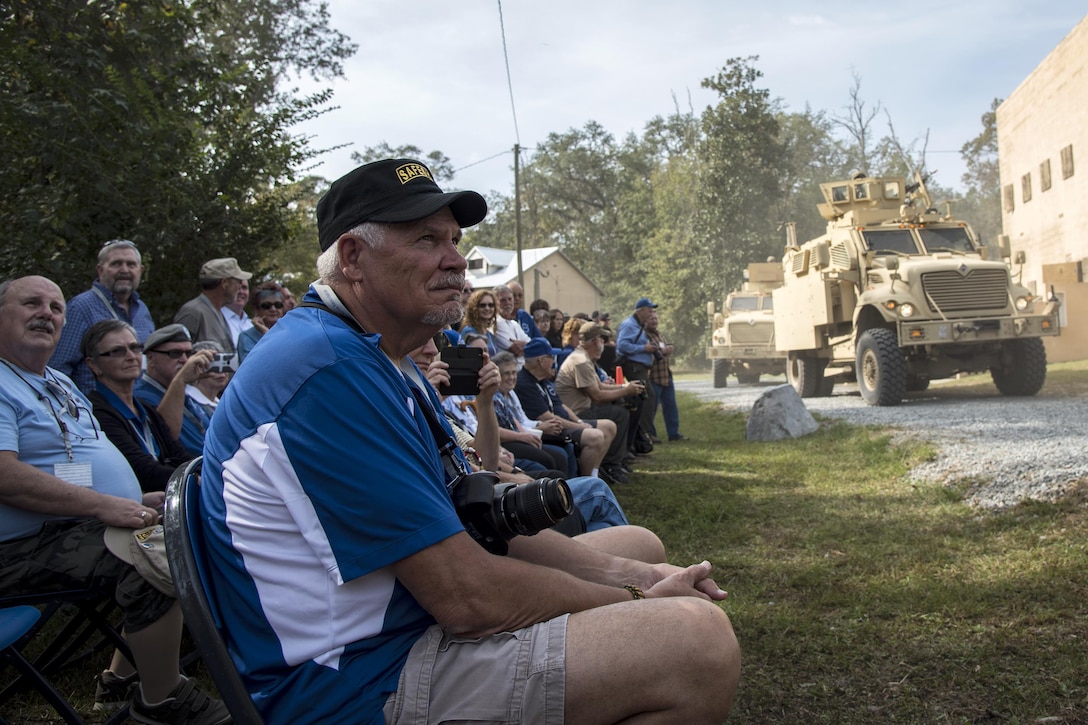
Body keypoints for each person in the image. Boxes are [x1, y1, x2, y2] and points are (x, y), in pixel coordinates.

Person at [199, 159, 740, 724]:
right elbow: (469, 599)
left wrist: (638, 579)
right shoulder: (325, 370)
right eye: (426, 239)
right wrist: (636, 601)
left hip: (404, 622)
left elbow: (479, 517)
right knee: (697, 641)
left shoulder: (376, 355)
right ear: (354, 257)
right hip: (357, 680)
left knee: (640, 549)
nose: (456, 260)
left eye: (455, 240)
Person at [0, 276, 230, 724]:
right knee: (157, 550)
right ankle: (161, 699)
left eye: (56, 307)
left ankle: (124, 677)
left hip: (71, 526)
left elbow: (75, 465)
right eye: (32, 303)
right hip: (19, 548)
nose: (47, 313)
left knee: (192, 525)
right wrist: (104, 506)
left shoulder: (58, 382)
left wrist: (129, 495)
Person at [81, 320, 191, 492]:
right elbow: (142, 471)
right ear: (93, 364)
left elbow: (180, 456)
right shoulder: (95, 412)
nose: (131, 356)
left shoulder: (146, 410)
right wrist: (195, 479)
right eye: (117, 351)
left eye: (134, 348)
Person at [49, 239, 156, 394]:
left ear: (140, 270)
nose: (124, 270)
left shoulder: (142, 310)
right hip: (95, 410)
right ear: (100, 270)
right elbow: (58, 368)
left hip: (137, 408)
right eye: (116, 264)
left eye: (131, 264)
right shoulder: (81, 307)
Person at [517, 338, 629, 485]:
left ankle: (595, 474)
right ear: (541, 361)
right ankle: (586, 481)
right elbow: (547, 416)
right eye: (551, 357)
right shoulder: (525, 383)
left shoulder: (543, 379)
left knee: (609, 426)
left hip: (566, 423)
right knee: (595, 436)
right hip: (551, 429)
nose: (554, 360)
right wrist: (580, 427)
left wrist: (579, 421)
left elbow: (561, 406)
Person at [555, 321, 643, 475]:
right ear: (595, 341)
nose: (603, 343)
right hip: (577, 413)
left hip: (582, 409)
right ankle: (611, 464)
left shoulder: (583, 358)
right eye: (602, 339)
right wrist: (626, 390)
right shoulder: (581, 361)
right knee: (620, 414)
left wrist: (625, 388)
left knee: (621, 409)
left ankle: (615, 461)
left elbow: (600, 387)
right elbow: (597, 396)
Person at [133, 324, 216, 458]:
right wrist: (181, 379)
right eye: (175, 353)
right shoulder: (141, 396)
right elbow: (165, 438)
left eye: (189, 353)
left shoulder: (185, 389)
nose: (184, 360)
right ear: (150, 358)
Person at [173, 257, 252, 357]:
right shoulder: (192, 312)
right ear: (224, 283)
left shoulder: (217, 312)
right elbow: (177, 357)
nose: (240, 287)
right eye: (239, 282)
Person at [615, 297, 660, 450]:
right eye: (649, 310)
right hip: (633, 366)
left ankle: (642, 434)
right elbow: (622, 345)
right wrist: (643, 349)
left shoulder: (638, 325)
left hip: (639, 367)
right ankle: (643, 435)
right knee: (647, 397)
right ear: (640, 311)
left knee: (647, 397)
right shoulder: (629, 325)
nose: (651, 313)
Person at [645, 309, 684, 442]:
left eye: (656, 319)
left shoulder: (659, 334)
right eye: (651, 319)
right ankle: (651, 435)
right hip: (654, 377)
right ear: (646, 320)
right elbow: (651, 352)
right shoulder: (645, 335)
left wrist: (667, 348)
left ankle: (674, 434)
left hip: (666, 375)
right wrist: (663, 351)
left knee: (671, 406)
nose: (655, 321)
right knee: (652, 408)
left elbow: (661, 348)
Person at [236, 282, 286, 363]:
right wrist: (266, 333)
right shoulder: (247, 337)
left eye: (278, 305)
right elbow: (252, 366)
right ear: (256, 309)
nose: (273, 309)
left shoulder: (289, 332)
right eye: (266, 305)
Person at [493, 284, 530, 366]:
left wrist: (524, 345)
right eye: (503, 300)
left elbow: (533, 347)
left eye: (510, 299)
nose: (508, 303)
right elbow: (515, 349)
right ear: (495, 303)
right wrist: (527, 345)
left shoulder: (514, 324)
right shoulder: (496, 322)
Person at [458, 288, 499, 355]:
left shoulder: (490, 334)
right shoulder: (469, 331)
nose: (487, 308)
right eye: (482, 305)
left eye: (491, 305)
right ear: (474, 308)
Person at [219, 278, 253, 350]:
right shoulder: (216, 320)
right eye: (237, 287)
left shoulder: (251, 324)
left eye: (244, 288)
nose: (240, 292)